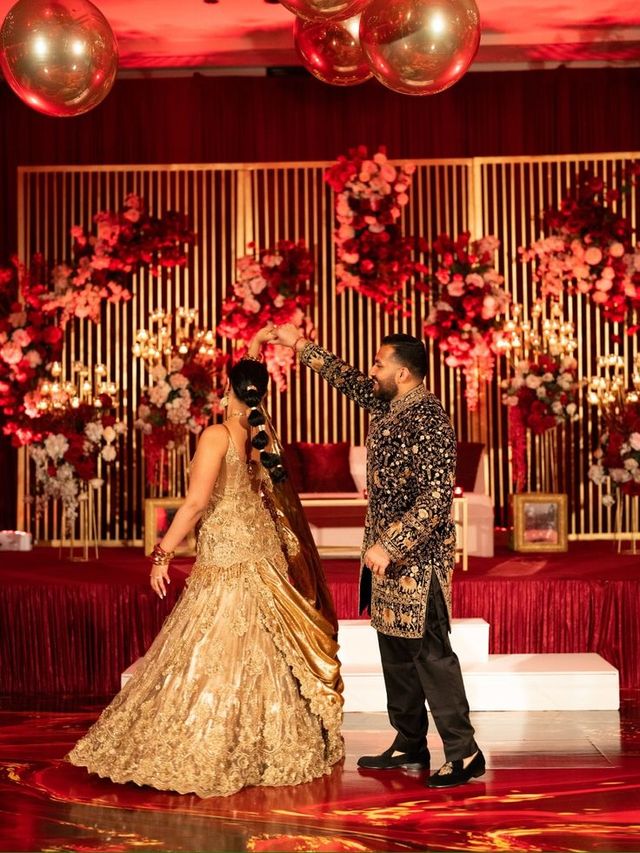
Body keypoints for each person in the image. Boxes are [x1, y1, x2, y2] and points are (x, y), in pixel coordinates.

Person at [67, 326, 344, 798]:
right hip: (260, 549)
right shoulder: (261, 435)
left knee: (213, 641)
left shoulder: (217, 435)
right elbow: (250, 391)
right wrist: (254, 348)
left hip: (226, 551)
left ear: (227, 390)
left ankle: (213, 741)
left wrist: (162, 554)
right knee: (261, 643)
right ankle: (266, 743)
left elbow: (195, 504)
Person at [274, 325, 484, 789]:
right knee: (396, 655)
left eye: (378, 364)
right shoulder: (389, 404)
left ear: (403, 373)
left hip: (418, 561)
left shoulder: (429, 419)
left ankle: (464, 752)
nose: (371, 371)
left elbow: (435, 498)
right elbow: (347, 379)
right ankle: (410, 742)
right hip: (383, 559)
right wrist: (300, 345)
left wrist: (392, 544)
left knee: (431, 657)